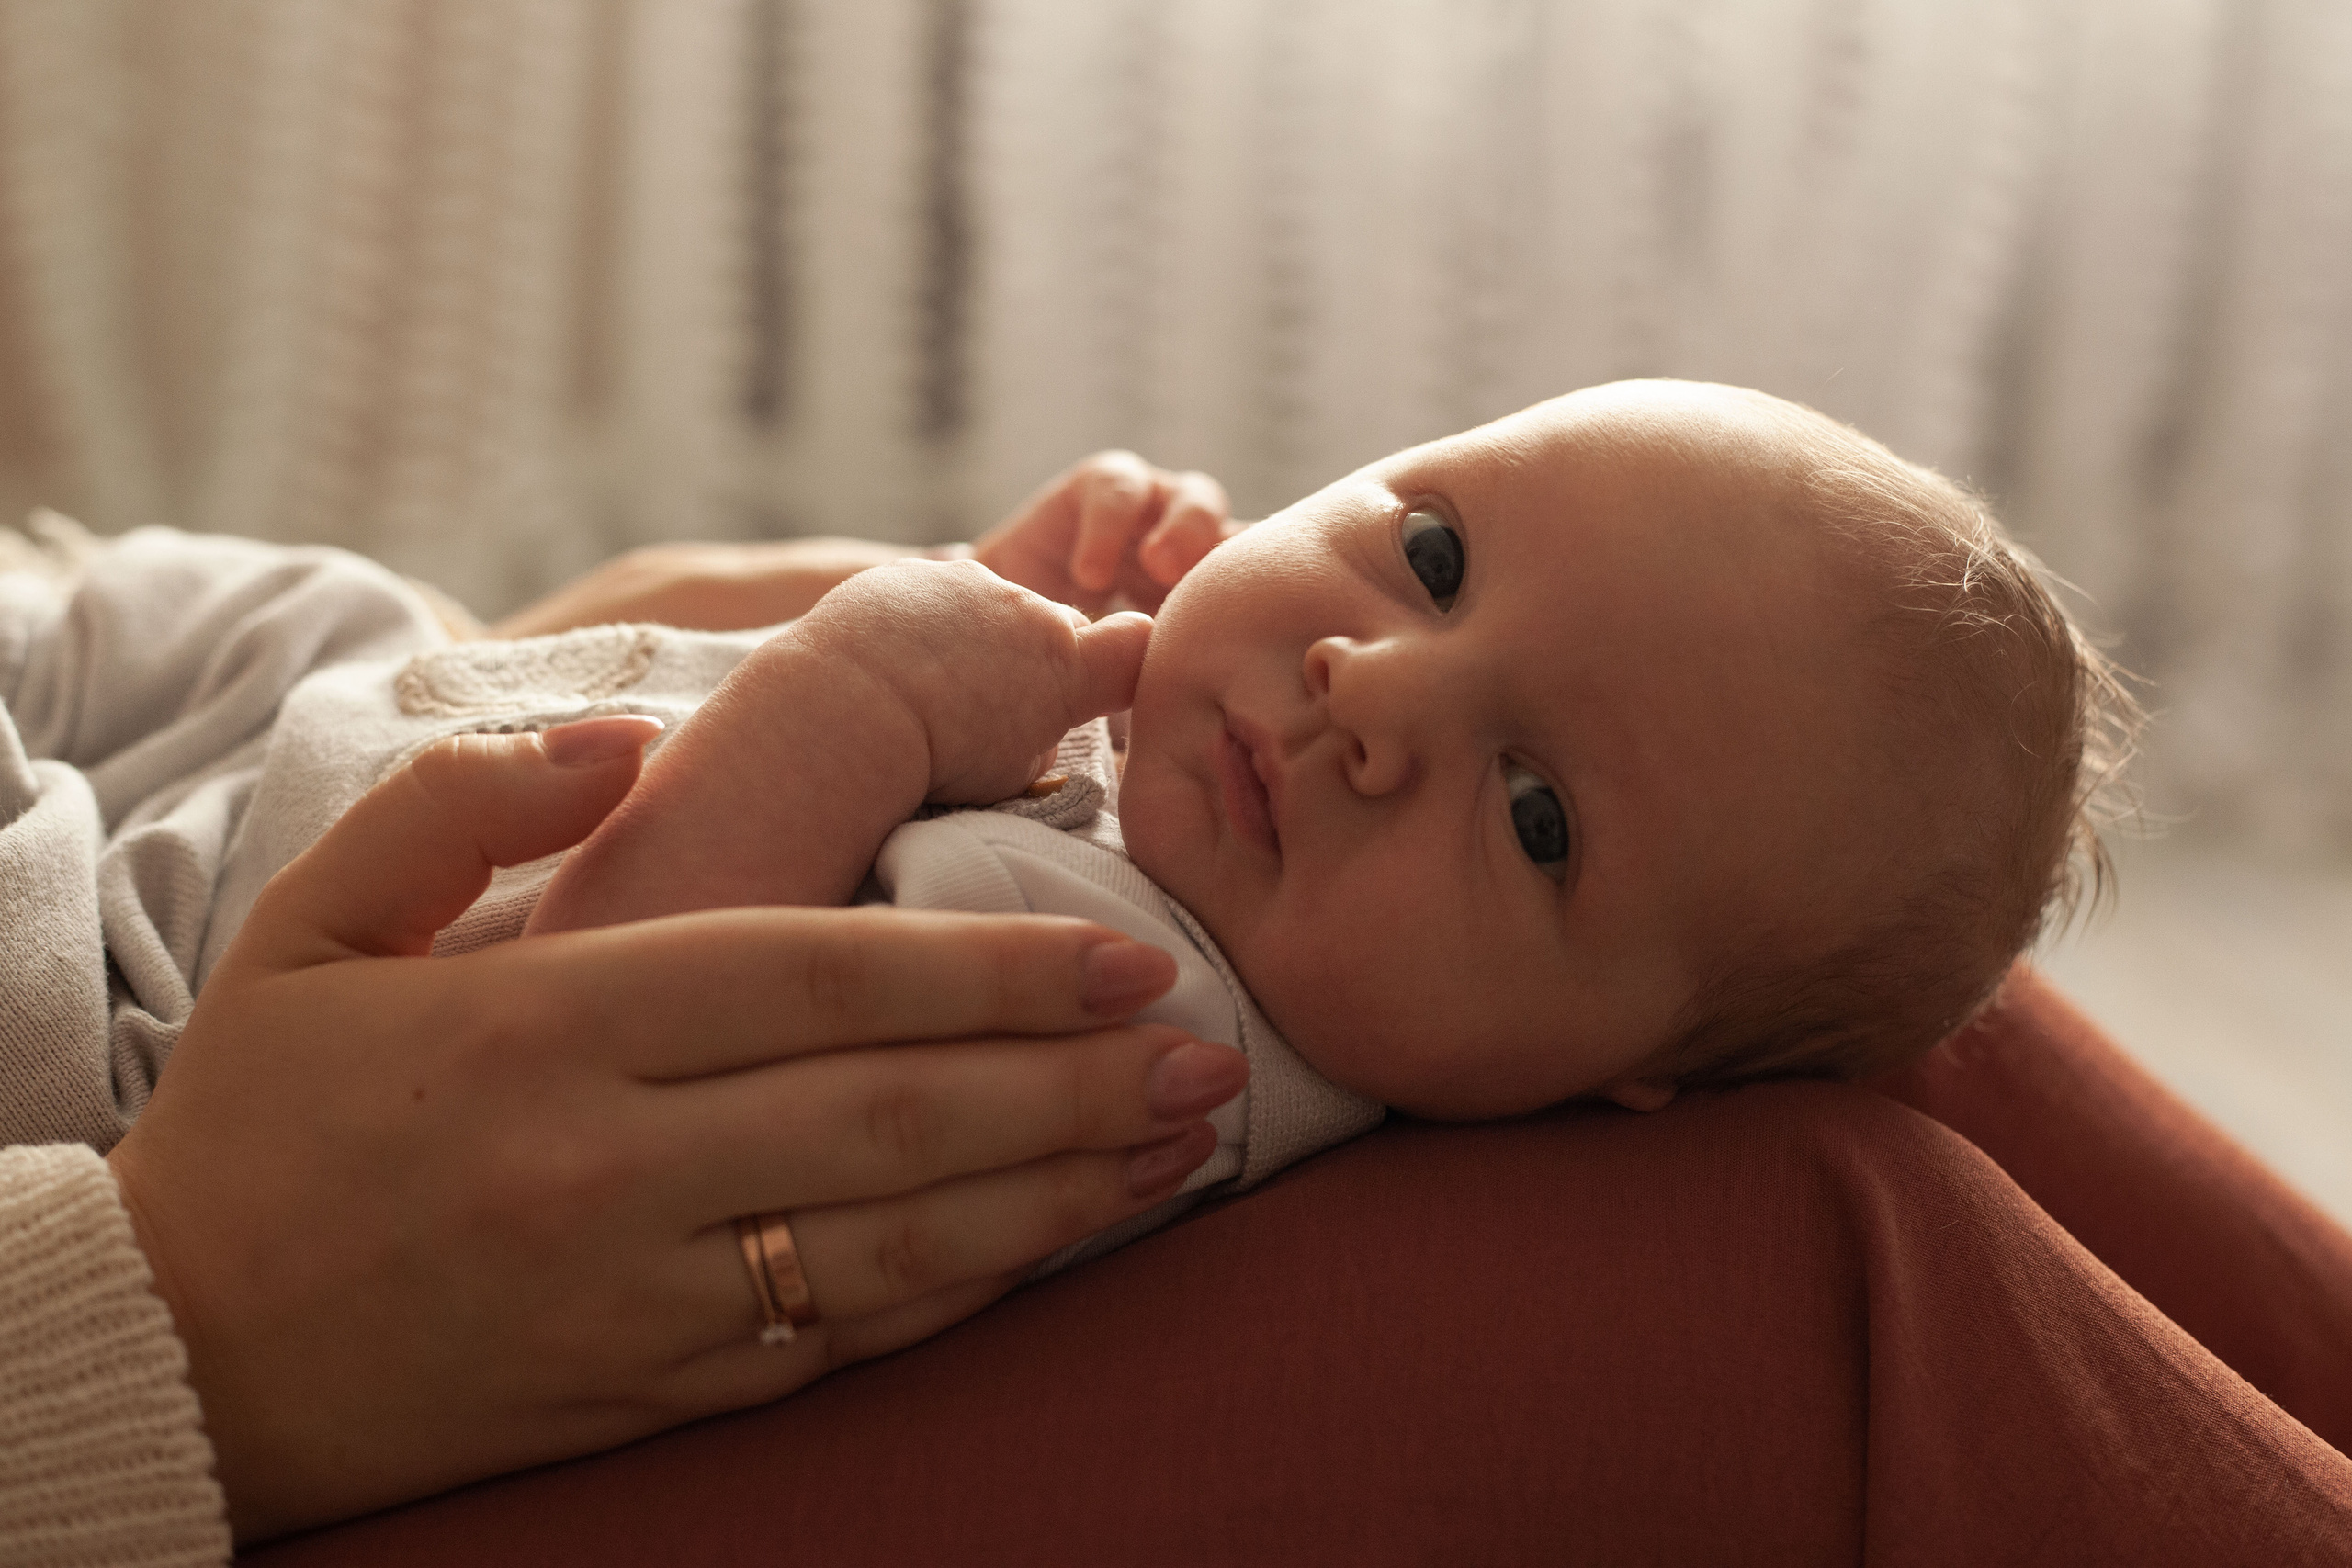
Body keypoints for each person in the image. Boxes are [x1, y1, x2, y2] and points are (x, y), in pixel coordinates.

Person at [0, 486, 1249, 1556]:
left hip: (116, 968)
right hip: (233, 721)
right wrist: (825, 608)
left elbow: (573, 1072)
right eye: (1429, 556)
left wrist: (863, 686)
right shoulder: (1177, 786)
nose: (1368, 675)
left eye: (1465, 815)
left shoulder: (1170, 979)